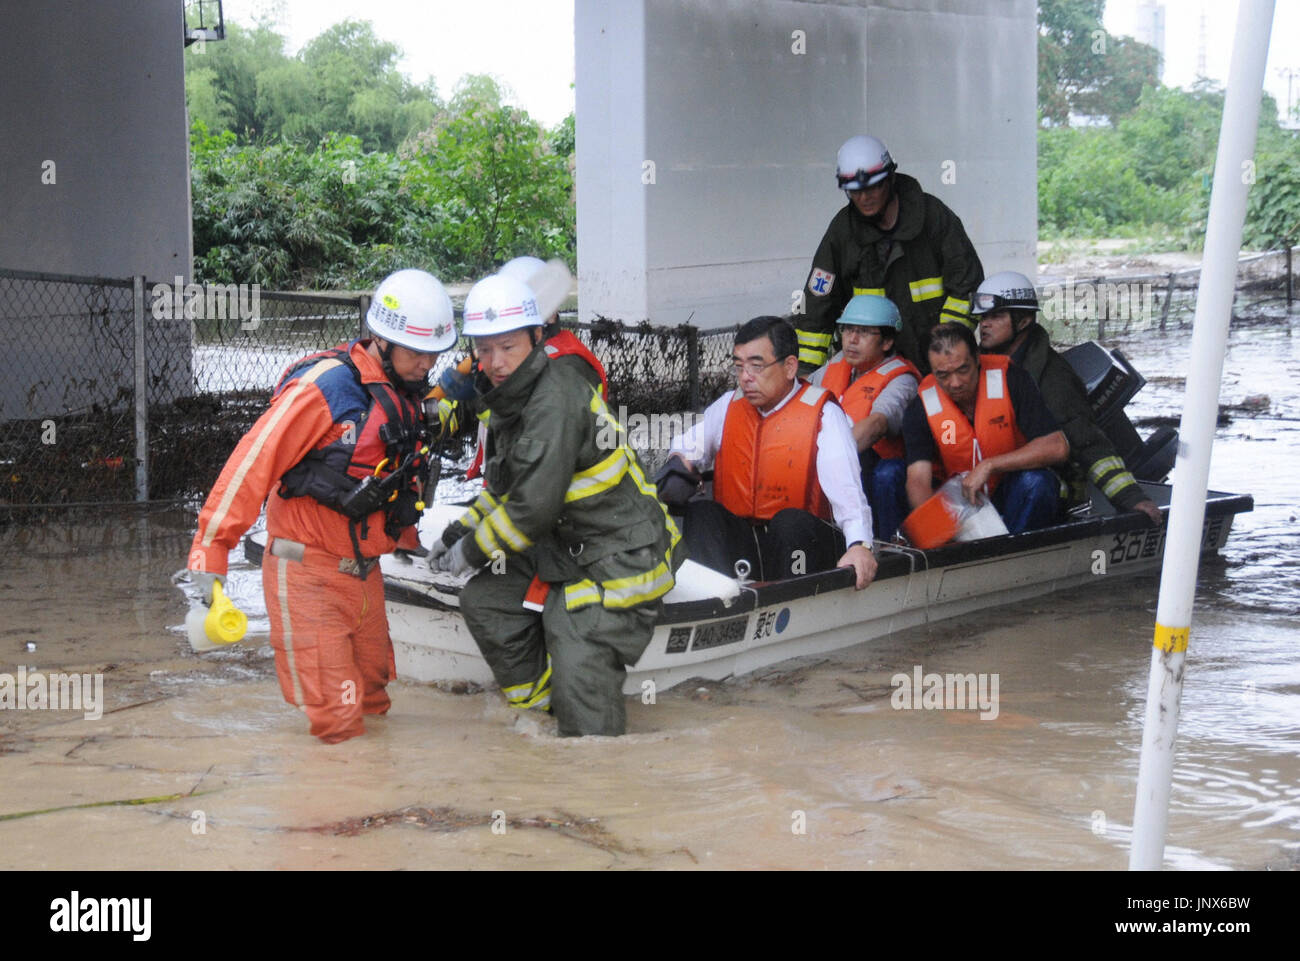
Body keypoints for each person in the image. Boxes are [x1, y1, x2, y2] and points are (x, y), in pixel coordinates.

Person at [186, 269, 456, 744]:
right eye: (417, 353)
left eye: (434, 354)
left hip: (365, 576)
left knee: (373, 706)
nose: (425, 364)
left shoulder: (410, 393)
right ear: (380, 339)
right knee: (339, 726)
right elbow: (252, 463)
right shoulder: (324, 390)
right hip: (307, 574)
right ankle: (332, 812)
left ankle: (378, 812)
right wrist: (210, 553)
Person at [428, 273, 679, 737]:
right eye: (483, 350)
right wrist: (455, 533)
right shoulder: (511, 399)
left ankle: (590, 763)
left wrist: (466, 554)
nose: (495, 362)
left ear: (536, 338)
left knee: (575, 636)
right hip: (566, 545)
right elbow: (505, 490)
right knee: (485, 599)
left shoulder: (554, 399)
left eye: (508, 348)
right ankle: (543, 716)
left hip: (621, 552)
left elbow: (530, 511)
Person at [662, 316, 878, 589]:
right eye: (739, 367)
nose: (745, 378)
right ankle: (713, 596)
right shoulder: (729, 405)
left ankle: (793, 598)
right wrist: (679, 465)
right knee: (703, 514)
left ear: (789, 367)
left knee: (790, 523)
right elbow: (685, 446)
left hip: (803, 545)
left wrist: (860, 544)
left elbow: (847, 491)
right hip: (750, 542)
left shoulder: (825, 415)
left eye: (756, 366)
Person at [973, 271, 1163, 525]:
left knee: (1034, 483)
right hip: (989, 479)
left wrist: (1131, 497)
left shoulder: (1052, 377)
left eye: (996, 316)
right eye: (983, 316)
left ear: (1024, 320)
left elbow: (1088, 443)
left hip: (1045, 485)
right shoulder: (973, 367)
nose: (985, 324)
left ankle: (1015, 552)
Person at [797, 134, 983, 375]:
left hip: (937, 368)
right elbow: (817, 307)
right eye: (855, 191)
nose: (864, 198)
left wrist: (946, 348)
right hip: (873, 371)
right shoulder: (843, 232)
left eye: (872, 187)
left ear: (890, 178)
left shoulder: (933, 218)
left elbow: (967, 285)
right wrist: (805, 374)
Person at [901, 323, 1068, 534]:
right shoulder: (921, 407)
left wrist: (990, 465)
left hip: (1011, 489)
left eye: (963, 369)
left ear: (977, 358)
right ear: (931, 372)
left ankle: (1015, 557)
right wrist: (934, 526)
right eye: (943, 375)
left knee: (1037, 482)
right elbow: (917, 480)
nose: (955, 383)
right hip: (961, 503)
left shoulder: (1012, 379)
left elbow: (1057, 447)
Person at [811, 293, 920, 541]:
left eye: (864, 332)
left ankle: (890, 547)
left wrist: (829, 456)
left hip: (885, 470)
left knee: (887, 474)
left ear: (887, 341)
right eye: (848, 329)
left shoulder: (902, 379)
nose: (852, 339)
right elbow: (799, 391)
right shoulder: (839, 363)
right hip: (848, 465)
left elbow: (877, 424)